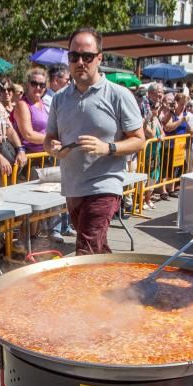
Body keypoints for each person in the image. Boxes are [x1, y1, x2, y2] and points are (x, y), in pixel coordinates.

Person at [45, 27, 145, 254]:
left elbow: (139, 140)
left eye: (87, 56)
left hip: (104, 185)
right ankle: (119, 288)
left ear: (99, 57)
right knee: (98, 250)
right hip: (73, 186)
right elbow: (49, 139)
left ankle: (81, 290)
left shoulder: (119, 95)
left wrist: (107, 148)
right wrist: (53, 148)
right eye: (74, 56)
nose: (80, 62)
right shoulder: (60, 99)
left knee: (85, 250)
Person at [12, 67, 49, 153]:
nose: (38, 87)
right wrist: (52, 139)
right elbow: (28, 135)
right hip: (29, 157)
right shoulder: (22, 104)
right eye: (34, 83)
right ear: (28, 85)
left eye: (42, 85)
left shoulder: (42, 103)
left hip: (44, 154)